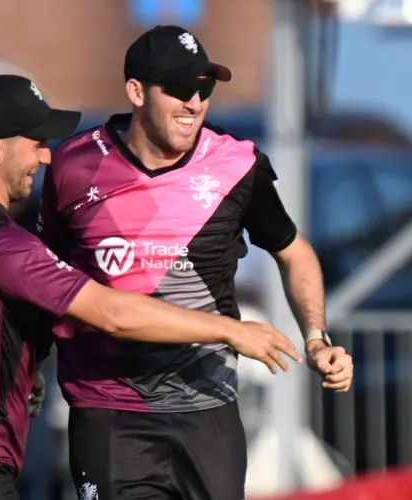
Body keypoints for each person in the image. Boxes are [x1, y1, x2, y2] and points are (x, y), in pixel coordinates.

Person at [0, 74, 302, 500]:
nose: (45, 158)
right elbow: (111, 312)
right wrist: (228, 330)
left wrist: (25, 364)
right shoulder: (1, 243)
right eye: (36, 143)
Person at [37, 25, 355, 500]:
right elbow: (46, 276)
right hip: (109, 410)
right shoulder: (73, 164)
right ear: (136, 92)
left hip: (208, 411)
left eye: (204, 88)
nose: (195, 102)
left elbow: (295, 252)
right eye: (180, 89)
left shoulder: (237, 164)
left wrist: (316, 337)